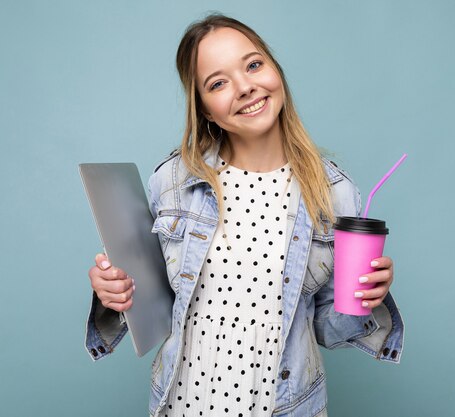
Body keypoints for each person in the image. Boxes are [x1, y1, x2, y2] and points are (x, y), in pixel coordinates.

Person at [85, 13, 404, 417]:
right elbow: (154, 303)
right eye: (218, 83)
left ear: (276, 72)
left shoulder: (335, 192)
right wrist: (113, 293)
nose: (245, 87)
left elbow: (326, 327)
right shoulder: (172, 180)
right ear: (205, 110)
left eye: (253, 65)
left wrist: (365, 298)